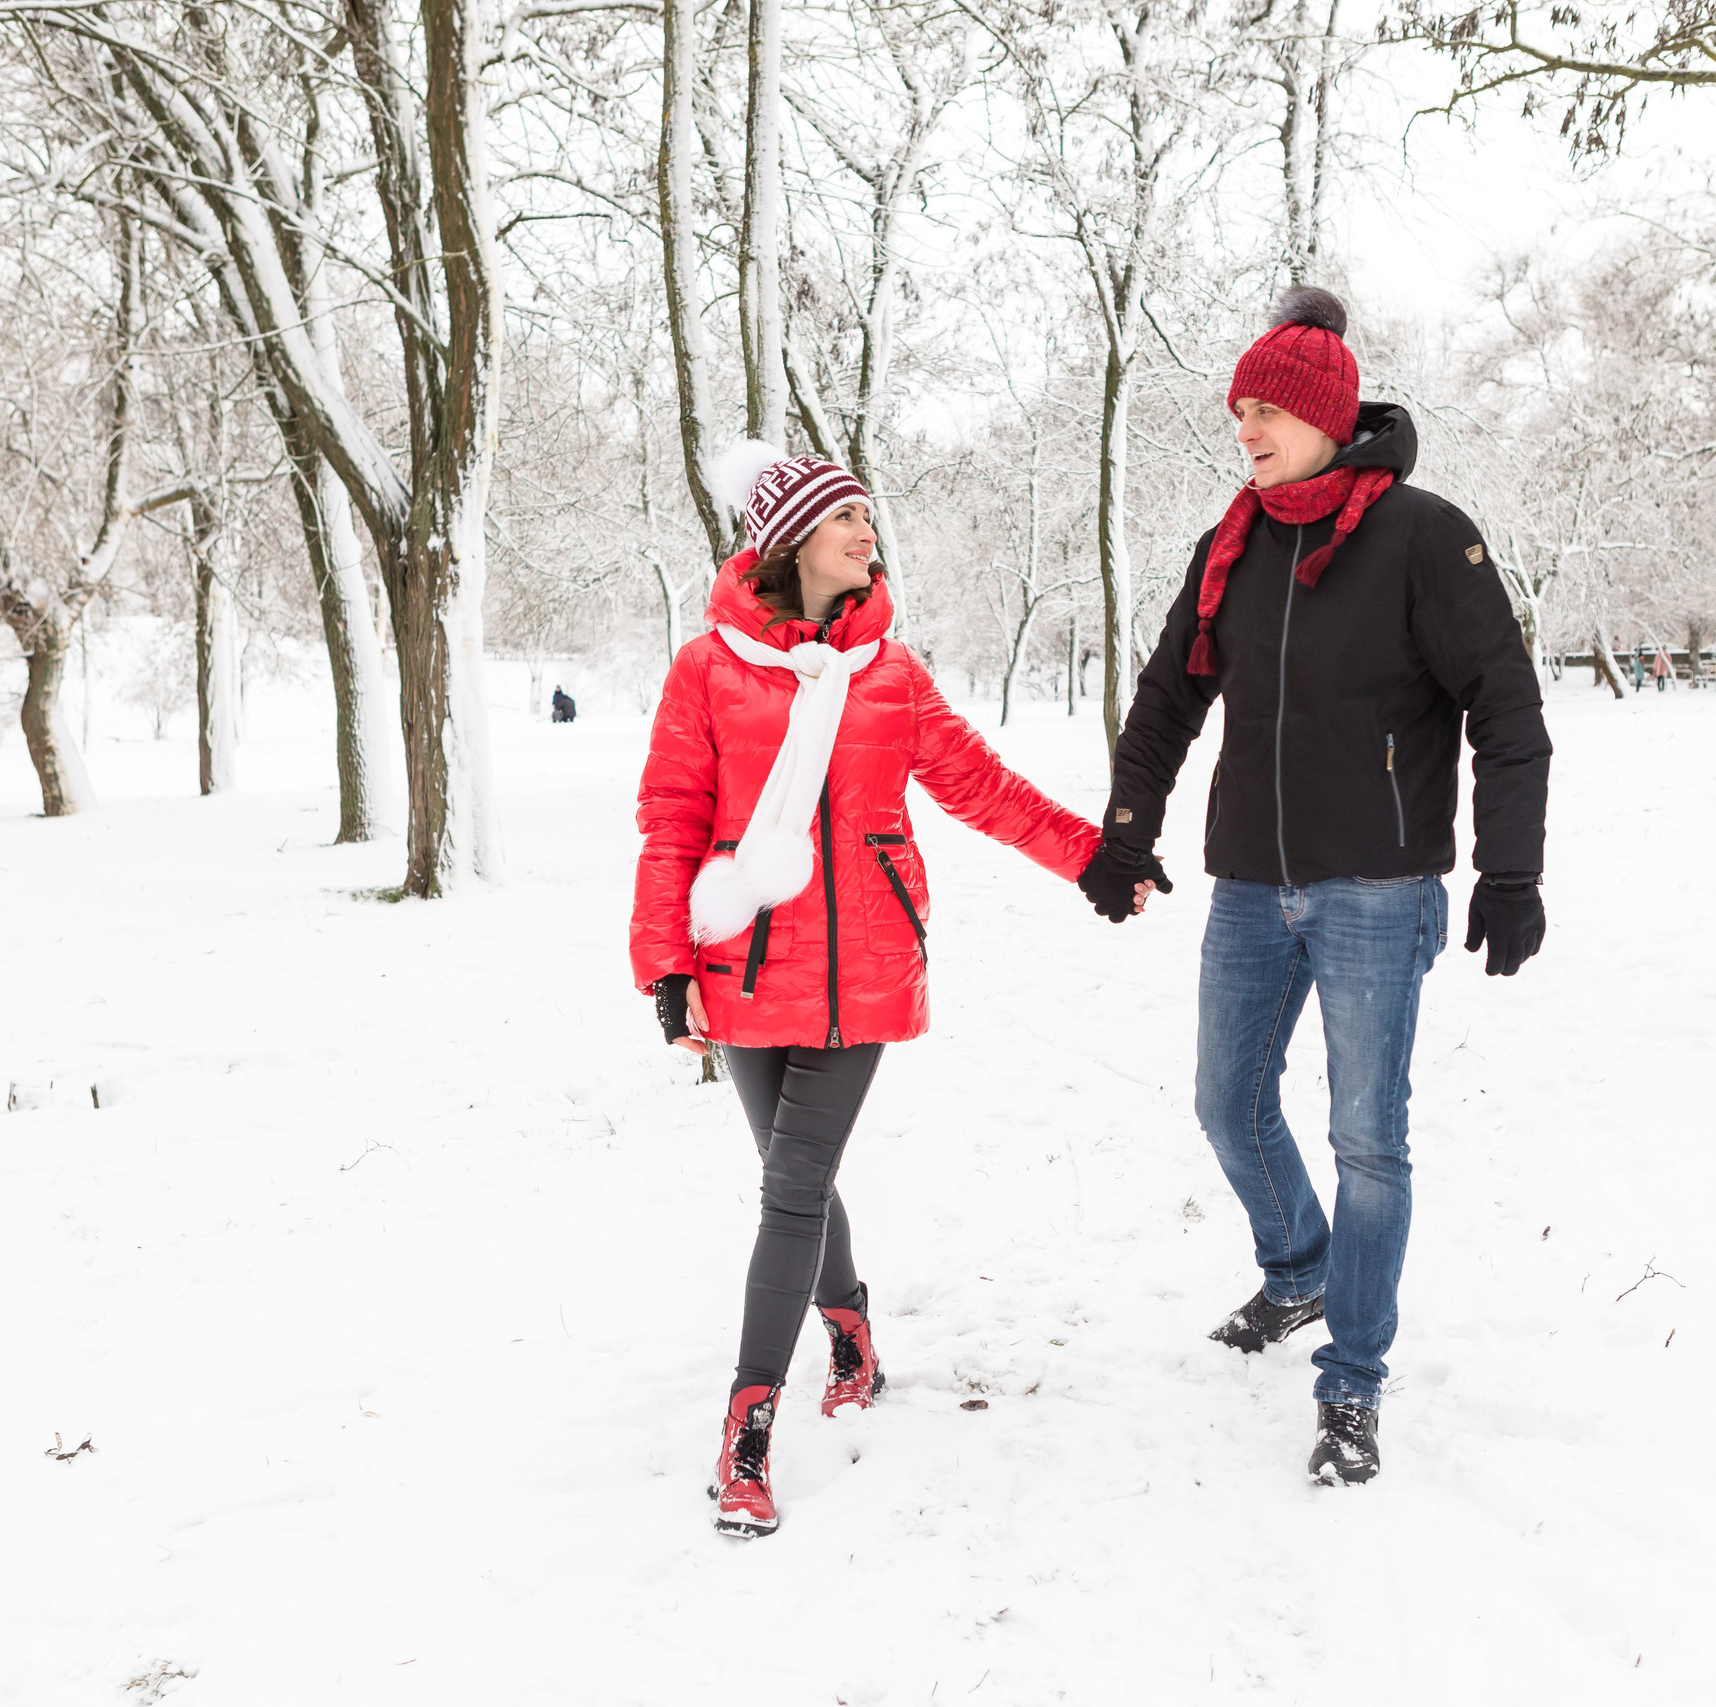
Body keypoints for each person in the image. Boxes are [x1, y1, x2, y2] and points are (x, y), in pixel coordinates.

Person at [1076, 286, 1552, 1488]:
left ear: (1327, 416)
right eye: (1237, 409)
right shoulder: (1233, 543)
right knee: (1222, 1101)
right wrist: (1128, 831)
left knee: (1366, 1142)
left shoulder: (1425, 538)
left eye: (1266, 409)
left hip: (1376, 890)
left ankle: (1351, 1382)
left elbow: (1505, 709)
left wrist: (1510, 868)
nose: (1245, 428)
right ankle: (1297, 1272)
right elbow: (1168, 696)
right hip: (1250, 880)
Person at [630, 442, 1137, 1540]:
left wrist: (1089, 854)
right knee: (791, 1175)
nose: (868, 535)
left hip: (862, 964)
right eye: (845, 519)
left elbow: (980, 789)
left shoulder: (891, 677)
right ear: (791, 543)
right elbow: (671, 819)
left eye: (869, 519)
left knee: (792, 1185)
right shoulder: (708, 669)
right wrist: (665, 965)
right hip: (745, 960)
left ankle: (747, 1427)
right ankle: (850, 1323)